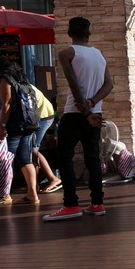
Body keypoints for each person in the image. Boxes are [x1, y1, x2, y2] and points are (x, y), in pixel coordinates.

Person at [46, 16, 113, 221]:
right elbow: (109, 85)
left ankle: (71, 205)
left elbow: (73, 84)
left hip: (76, 114)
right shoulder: (99, 55)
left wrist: (85, 112)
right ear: (88, 34)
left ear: (69, 33)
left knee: (64, 157)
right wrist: (92, 104)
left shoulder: (66, 53)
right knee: (92, 158)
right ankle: (97, 203)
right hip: (95, 113)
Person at [0, 57, 39, 206]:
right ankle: (32, 194)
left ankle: (4, 195)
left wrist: (2, 126)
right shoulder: (21, 77)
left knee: (6, 159)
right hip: (28, 124)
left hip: (14, 126)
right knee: (25, 160)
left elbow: (6, 104)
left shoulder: (5, 79)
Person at [33, 85, 62, 194]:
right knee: (32, 150)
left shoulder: (16, 86)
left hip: (43, 117)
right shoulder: (18, 85)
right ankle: (33, 185)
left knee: (32, 150)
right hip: (41, 116)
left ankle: (52, 179)